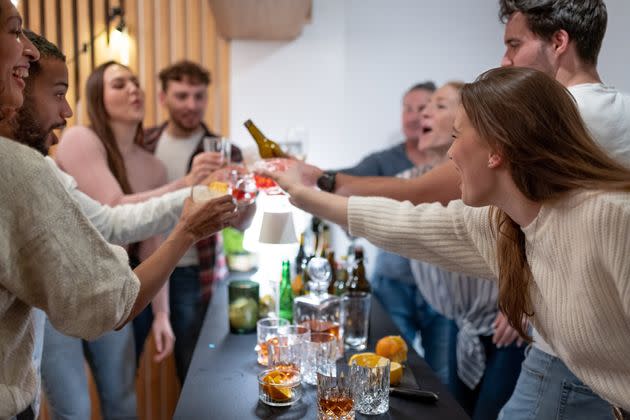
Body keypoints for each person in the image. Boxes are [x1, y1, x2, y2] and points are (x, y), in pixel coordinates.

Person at [274, 0, 629, 417]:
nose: (452, 153)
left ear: (500, 149)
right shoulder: (505, 221)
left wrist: (319, 184)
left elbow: (420, 195)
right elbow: (414, 224)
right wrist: (307, 196)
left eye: (459, 135)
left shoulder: (608, 218)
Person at [0, 2, 236, 417]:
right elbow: (114, 234)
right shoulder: (38, 161)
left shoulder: (144, 161)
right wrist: (188, 212)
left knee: (120, 398)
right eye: (57, 94)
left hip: (101, 286)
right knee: (75, 408)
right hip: (86, 293)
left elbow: (116, 224)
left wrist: (204, 199)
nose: (66, 112)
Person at [142, 60, 253, 383]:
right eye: (182, 96)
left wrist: (248, 196)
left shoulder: (225, 151)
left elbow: (241, 224)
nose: (192, 105)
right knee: (126, 361)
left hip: (193, 271)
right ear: (163, 98)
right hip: (139, 265)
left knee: (192, 368)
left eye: (199, 96)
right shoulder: (143, 143)